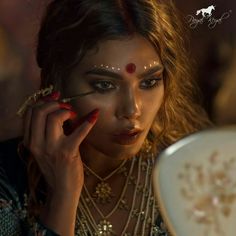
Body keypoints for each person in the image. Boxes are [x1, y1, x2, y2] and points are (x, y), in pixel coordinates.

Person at [0, 0, 211, 235]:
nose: (132, 110)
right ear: (55, 76)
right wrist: (63, 196)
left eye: (149, 82)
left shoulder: (197, 176)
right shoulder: (7, 181)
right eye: (104, 85)